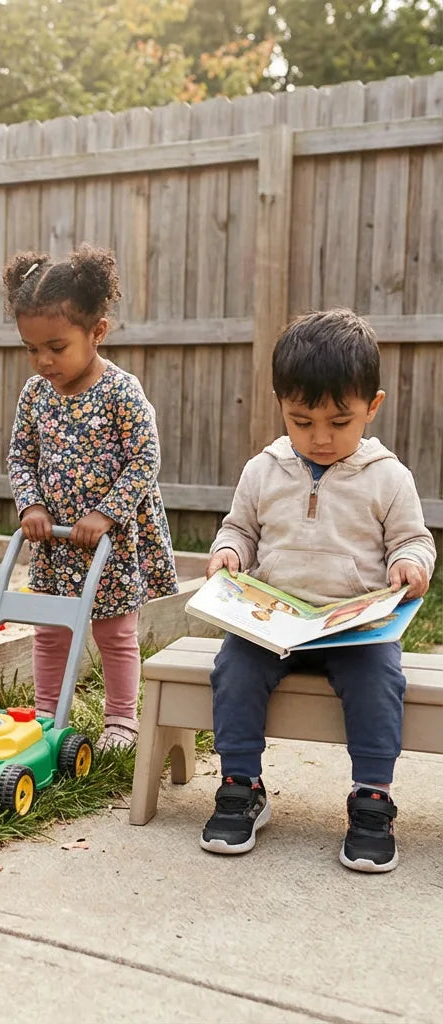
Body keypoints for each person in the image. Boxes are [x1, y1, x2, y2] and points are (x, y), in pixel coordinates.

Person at [201, 309, 435, 872]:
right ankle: (241, 785)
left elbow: (414, 541)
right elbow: (240, 529)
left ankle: (372, 797)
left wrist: (409, 565)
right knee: (232, 668)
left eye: (339, 421)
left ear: (372, 407)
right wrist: (229, 553)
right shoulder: (263, 470)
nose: (320, 438)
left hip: (354, 629)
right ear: (281, 403)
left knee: (381, 680)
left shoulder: (388, 477)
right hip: (273, 625)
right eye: (302, 421)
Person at [3, 245, 178, 752]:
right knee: (50, 631)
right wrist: (31, 505)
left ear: (96, 332)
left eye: (56, 346)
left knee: (116, 634)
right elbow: (21, 457)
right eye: (31, 348)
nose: (43, 360)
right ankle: (45, 714)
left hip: (111, 543)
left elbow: (145, 459)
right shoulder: (35, 394)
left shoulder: (121, 391)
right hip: (57, 544)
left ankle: (121, 720)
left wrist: (105, 513)